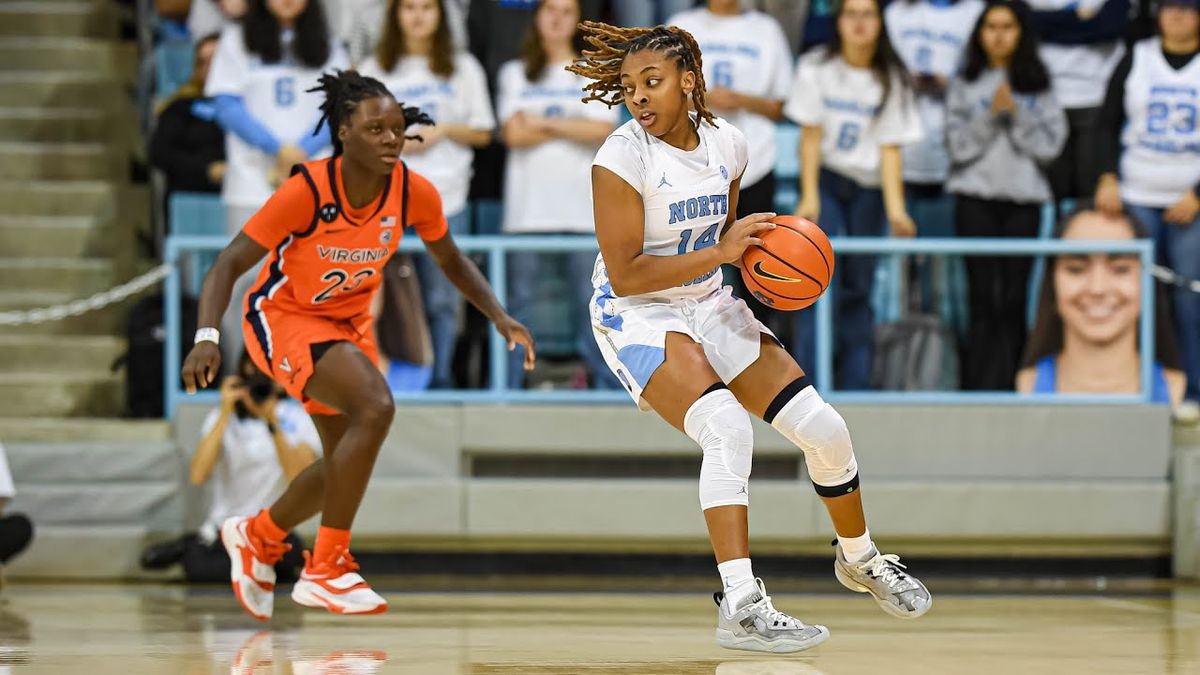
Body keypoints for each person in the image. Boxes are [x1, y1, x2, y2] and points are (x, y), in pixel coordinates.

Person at [569, 20, 931, 654]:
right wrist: (721, 253)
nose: (639, 97)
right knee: (727, 428)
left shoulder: (729, 145)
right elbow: (625, 275)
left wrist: (757, 265)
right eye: (629, 87)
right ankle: (740, 603)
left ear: (689, 81)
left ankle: (860, 557)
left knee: (825, 429)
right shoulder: (622, 156)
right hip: (637, 311)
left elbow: (725, 242)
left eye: (652, 82)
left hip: (705, 298)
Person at [180, 70, 535, 619]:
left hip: (347, 325)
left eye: (397, 129)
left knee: (346, 458)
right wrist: (207, 336)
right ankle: (326, 566)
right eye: (376, 129)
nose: (391, 139)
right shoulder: (308, 190)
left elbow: (451, 260)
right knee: (377, 405)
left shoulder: (412, 191)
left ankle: (260, 536)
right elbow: (228, 263)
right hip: (284, 317)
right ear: (343, 131)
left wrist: (499, 315)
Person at [786, 0, 922, 390]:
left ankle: (856, 384)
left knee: (858, 289)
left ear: (880, 23)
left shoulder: (892, 78)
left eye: (868, 15)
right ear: (839, 21)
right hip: (827, 180)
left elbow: (890, 150)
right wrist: (809, 195)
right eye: (852, 14)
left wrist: (897, 211)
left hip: (871, 189)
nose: (860, 23)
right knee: (817, 279)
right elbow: (809, 138)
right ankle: (806, 385)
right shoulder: (817, 66)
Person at [205, 0, 350, 368]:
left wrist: (302, 150)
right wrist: (276, 149)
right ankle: (244, 369)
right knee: (245, 281)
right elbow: (225, 103)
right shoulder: (237, 38)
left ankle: (302, 372)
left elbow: (342, 105)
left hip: (313, 187)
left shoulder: (328, 43)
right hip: (251, 184)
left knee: (311, 281)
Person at [360, 0, 496, 389]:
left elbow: (484, 131)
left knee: (442, 298)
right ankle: (387, 379)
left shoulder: (462, 67)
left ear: (441, 16)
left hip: (445, 197)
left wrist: (443, 131)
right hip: (385, 198)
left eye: (426, 7)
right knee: (380, 296)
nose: (418, 15)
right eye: (408, 7)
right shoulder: (374, 68)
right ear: (395, 15)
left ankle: (437, 381)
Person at [946, 0, 1067, 390]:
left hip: (1024, 203)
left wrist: (1016, 115)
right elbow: (957, 147)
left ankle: (1016, 383)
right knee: (981, 299)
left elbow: (1051, 147)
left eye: (1008, 26)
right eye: (991, 26)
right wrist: (989, 117)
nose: (999, 34)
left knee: (1014, 300)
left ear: (1021, 33)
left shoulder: (1040, 82)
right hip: (974, 200)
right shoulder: (965, 80)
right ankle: (976, 386)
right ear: (980, 33)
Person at [497, 0, 618, 389]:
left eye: (566, 11)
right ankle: (507, 387)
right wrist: (571, 124)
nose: (556, 18)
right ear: (537, 16)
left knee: (596, 308)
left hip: (583, 212)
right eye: (550, 9)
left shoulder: (594, 71)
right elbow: (513, 135)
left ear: (577, 21)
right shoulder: (514, 73)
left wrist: (542, 122)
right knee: (515, 308)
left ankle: (606, 387)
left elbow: (601, 130)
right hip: (525, 214)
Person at [1094, 0, 1200, 404]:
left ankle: (1190, 392)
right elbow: (1105, 123)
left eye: (1188, 8)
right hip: (1136, 195)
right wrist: (1106, 177)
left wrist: (1197, 195)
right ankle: (1139, 386)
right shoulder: (1137, 57)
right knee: (1135, 296)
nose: (1178, 15)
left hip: (1188, 203)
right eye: (1171, 6)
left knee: (1188, 302)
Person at [668, 0, 793, 329]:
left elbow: (780, 107)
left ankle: (759, 353)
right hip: (692, 167)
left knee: (757, 270)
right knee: (693, 269)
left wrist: (739, 100)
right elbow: (661, 92)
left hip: (754, 164)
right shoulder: (680, 24)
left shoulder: (766, 30)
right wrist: (701, 98)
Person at [1017, 207, 1185, 405]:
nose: (1098, 288)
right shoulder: (1027, 385)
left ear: (1148, 283)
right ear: (1052, 283)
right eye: (1076, 269)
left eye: (1120, 269)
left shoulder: (1176, 388)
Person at [1027, 0, 1129, 211]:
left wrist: (1050, 24)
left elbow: (1109, 27)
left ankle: (1087, 241)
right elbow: (1025, 21)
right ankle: (1052, 241)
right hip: (1046, 99)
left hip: (1098, 98)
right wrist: (1082, 21)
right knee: (1048, 189)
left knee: (1091, 188)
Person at [149, 34, 226, 215]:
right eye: (203, 62)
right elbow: (159, 153)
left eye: (217, 60)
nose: (210, 68)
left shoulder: (254, 107)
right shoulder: (180, 107)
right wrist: (208, 169)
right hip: (192, 199)